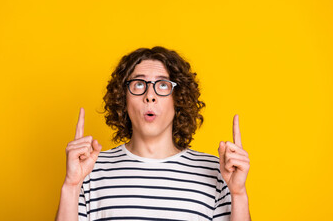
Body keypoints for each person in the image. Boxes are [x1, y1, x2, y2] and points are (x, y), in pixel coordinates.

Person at [55, 46, 251, 221]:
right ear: (124, 98)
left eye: (163, 85)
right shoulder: (89, 171)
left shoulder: (216, 172)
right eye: (139, 84)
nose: (150, 96)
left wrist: (239, 193)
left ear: (178, 99)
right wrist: (71, 185)